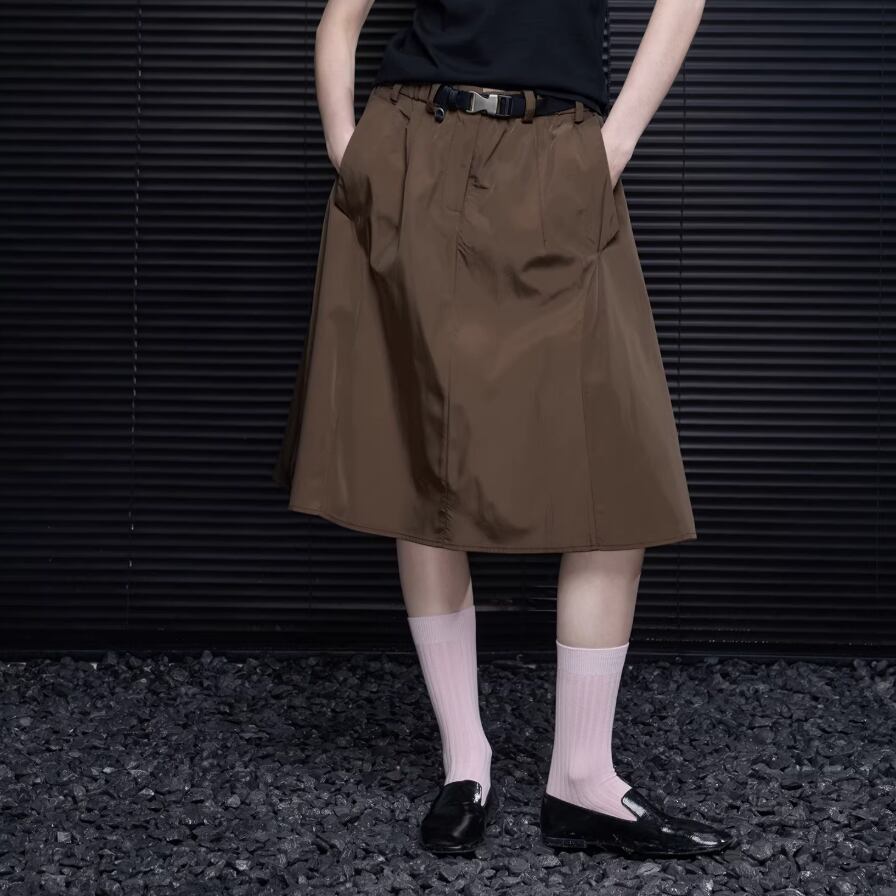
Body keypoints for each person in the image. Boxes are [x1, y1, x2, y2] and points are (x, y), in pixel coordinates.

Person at [273, 0, 738, 858]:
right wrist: (350, 149)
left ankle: (583, 778)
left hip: (560, 151)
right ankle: (466, 763)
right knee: (424, 459)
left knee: (614, 472)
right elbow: (341, 17)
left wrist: (615, 144)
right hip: (417, 147)